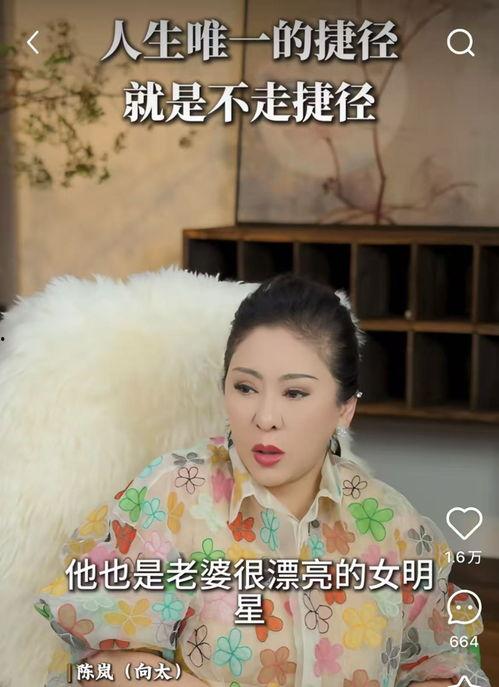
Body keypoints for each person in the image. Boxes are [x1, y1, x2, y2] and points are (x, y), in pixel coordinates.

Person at [34, 273, 490, 687]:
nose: (265, 417)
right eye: (246, 387)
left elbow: (446, 665)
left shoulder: (392, 525)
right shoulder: (171, 497)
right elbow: (102, 664)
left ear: (345, 408)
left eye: (295, 392)